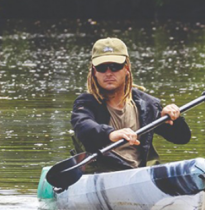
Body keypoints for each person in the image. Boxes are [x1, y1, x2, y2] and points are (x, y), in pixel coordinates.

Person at [70, 37, 191, 173]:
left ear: (126, 68)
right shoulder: (85, 103)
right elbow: (83, 125)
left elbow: (182, 138)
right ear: (94, 72)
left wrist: (174, 118)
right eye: (102, 68)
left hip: (141, 173)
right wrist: (110, 134)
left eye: (115, 67)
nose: (109, 73)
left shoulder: (148, 104)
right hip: (103, 172)